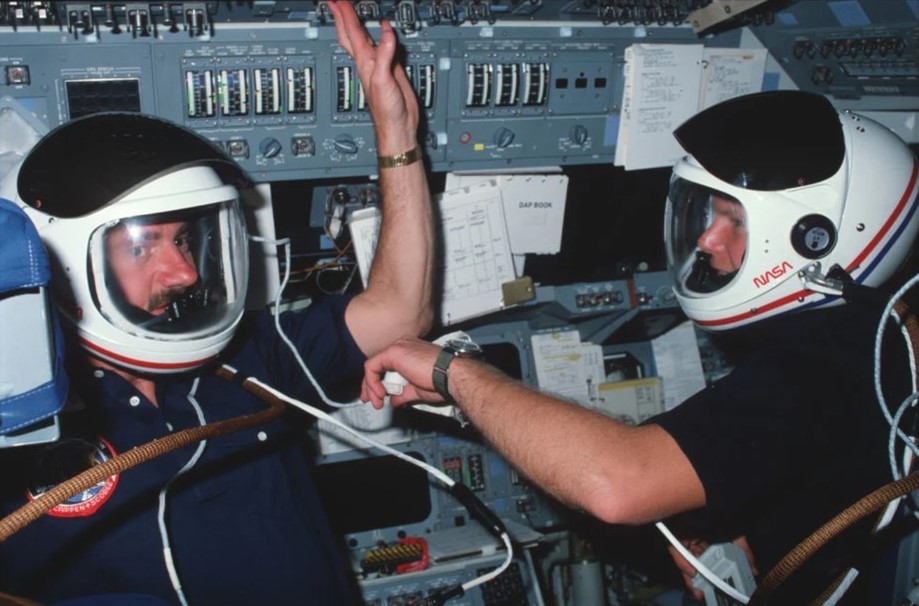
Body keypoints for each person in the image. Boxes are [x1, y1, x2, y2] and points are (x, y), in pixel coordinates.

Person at [360, 90, 919, 603]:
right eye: (709, 215)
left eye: (734, 220)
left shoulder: (821, 367)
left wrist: (454, 373)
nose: (706, 239)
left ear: (816, 240)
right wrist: (729, 527)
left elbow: (617, 486)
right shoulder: (873, 342)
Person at [0, 2, 433, 605]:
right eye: (145, 245)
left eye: (181, 240)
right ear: (67, 258)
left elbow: (398, 312)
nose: (181, 270)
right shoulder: (21, 426)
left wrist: (398, 137)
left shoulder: (245, 360)